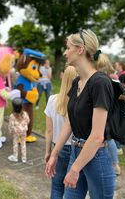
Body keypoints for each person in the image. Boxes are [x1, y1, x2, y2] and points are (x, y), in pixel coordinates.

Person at [45, 29, 115, 199]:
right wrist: (54, 154)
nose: (65, 52)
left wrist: (75, 169)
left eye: (68, 47)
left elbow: (97, 137)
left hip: (96, 156)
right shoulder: (77, 81)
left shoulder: (100, 83)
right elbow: (70, 122)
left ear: (80, 49)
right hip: (76, 152)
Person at [44, 66, 78, 199]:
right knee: (73, 189)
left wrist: (48, 152)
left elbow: (48, 130)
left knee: (57, 186)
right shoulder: (79, 102)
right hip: (76, 149)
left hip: (58, 149)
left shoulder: (52, 100)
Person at [96, 54, 121, 175]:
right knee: (106, 136)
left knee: (107, 136)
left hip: (108, 111)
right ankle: (114, 163)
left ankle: (115, 164)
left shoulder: (110, 78)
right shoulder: (104, 78)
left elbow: (121, 95)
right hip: (106, 109)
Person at [8, 97, 30, 163]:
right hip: (23, 131)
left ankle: (15, 156)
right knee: (23, 143)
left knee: (15, 143)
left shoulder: (12, 116)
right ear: (22, 106)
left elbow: (11, 125)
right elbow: (28, 121)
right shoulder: (25, 114)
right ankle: (24, 158)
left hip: (16, 132)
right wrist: (24, 126)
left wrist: (10, 131)